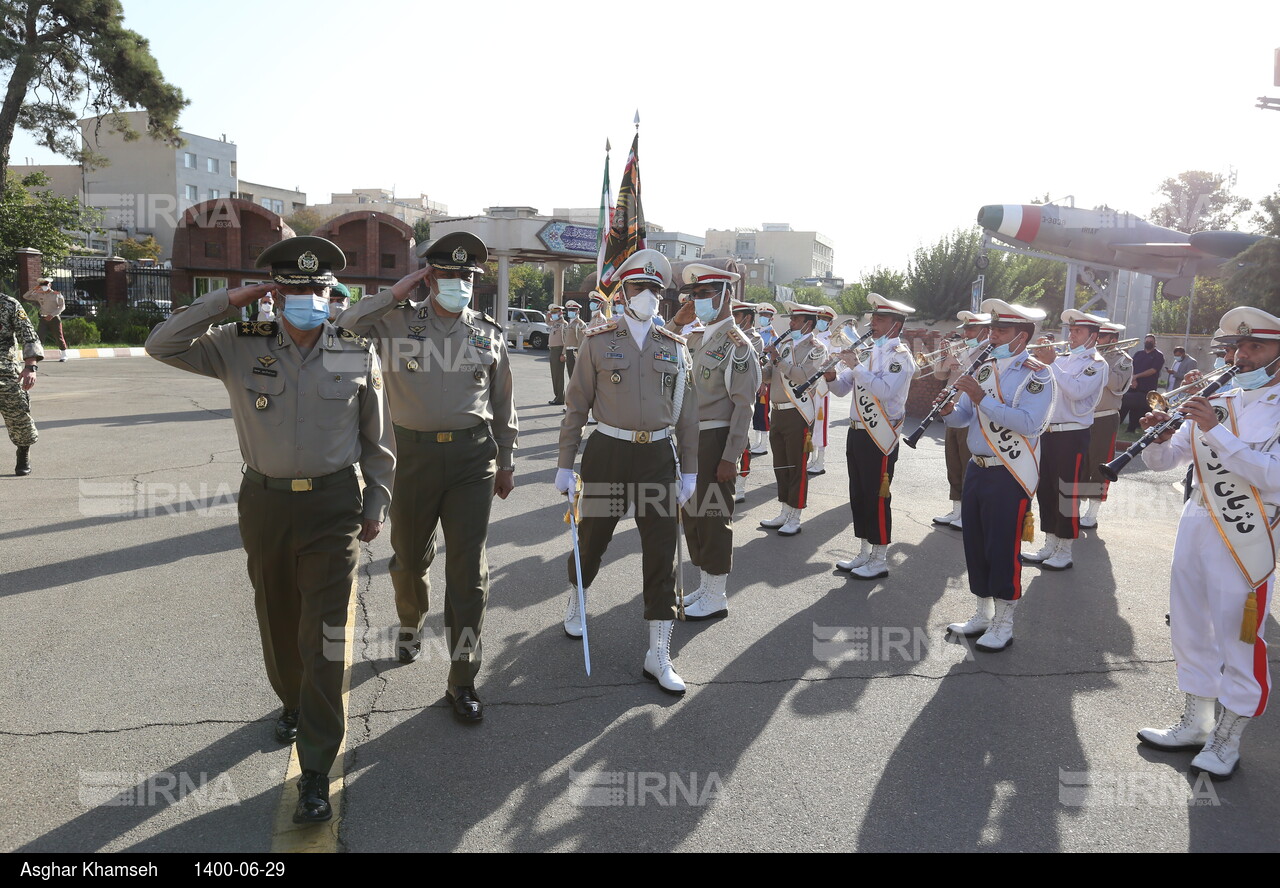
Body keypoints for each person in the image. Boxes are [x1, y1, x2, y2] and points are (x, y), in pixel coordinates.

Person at [145, 235, 395, 824]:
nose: (306, 297)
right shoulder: (236, 344)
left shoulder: (357, 352)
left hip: (334, 505)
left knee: (325, 634)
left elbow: (377, 440)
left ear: (331, 293)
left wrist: (376, 503)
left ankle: (315, 769)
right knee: (277, 617)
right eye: (292, 287)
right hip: (265, 502)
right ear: (274, 293)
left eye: (316, 288)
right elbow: (161, 344)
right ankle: (290, 700)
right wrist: (230, 299)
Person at [336, 231, 516, 723]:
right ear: (430, 277)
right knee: (409, 559)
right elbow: (344, 326)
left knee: (469, 573)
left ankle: (462, 679)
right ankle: (411, 622)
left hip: (471, 461)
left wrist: (507, 459)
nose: (458, 283)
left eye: (466, 276)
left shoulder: (488, 333)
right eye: (448, 274)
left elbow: (502, 402)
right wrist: (395, 293)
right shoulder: (394, 323)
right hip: (408, 458)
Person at [1136, 306, 1280, 779]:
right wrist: (1156, 437)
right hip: (1196, 521)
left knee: (1239, 635)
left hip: (1249, 533)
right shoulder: (1222, 395)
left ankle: (1228, 736)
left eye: (1255, 346)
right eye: (1237, 347)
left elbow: (1274, 477)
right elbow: (1169, 461)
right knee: (1190, 623)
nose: (1242, 356)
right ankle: (1196, 722)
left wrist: (1216, 431)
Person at [555, 248, 698, 694]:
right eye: (641, 288)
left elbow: (688, 415)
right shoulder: (597, 341)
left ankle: (658, 652)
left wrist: (690, 472)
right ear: (623, 291)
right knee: (593, 538)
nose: (650, 296)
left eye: (657, 289)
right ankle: (578, 599)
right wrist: (565, 464)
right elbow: (576, 405)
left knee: (661, 553)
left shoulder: (675, 348)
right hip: (608, 454)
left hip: (657, 459)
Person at [940, 299, 1055, 652]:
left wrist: (980, 399)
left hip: (1010, 471)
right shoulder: (985, 367)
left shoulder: (1037, 373)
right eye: (991, 329)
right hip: (978, 467)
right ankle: (982, 612)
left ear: (1022, 336)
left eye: (1000, 330)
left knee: (1002, 546)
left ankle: (1005, 620)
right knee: (975, 543)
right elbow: (963, 417)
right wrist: (947, 410)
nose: (992, 336)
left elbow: (1028, 424)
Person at [671, 264, 760, 621]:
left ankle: (717, 594)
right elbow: (657, 350)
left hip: (714, 438)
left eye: (704, 295)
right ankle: (706, 584)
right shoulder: (695, 336)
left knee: (713, 515)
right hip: (689, 438)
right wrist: (677, 322)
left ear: (725, 296)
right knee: (692, 515)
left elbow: (744, 405)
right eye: (694, 295)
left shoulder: (738, 345)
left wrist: (730, 455)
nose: (698, 301)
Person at [827, 293, 916, 579]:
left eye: (879, 319)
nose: (872, 323)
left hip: (879, 435)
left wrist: (855, 366)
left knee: (877, 496)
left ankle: (879, 557)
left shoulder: (900, 357)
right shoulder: (866, 352)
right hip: (857, 432)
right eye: (873, 317)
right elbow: (843, 390)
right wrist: (829, 376)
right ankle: (864, 551)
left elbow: (885, 391)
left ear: (896, 325)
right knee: (859, 494)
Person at [1020, 310, 1109, 570]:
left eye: (1078, 331)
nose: (1071, 335)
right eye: (1071, 331)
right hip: (1046, 432)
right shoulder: (1065, 359)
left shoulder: (1097, 363)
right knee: (1046, 490)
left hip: (1072, 434)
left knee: (1067, 492)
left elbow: (1076, 390)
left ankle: (1065, 550)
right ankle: (1049, 543)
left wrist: (1053, 361)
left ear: (1093, 337)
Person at [758, 302, 829, 537]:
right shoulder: (785, 345)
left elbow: (802, 377)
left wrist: (777, 360)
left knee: (796, 465)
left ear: (808, 323)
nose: (790, 324)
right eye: (791, 320)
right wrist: (761, 367)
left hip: (798, 413)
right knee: (781, 463)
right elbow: (770, 376)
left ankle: (796, 515)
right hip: (777, 410)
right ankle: (784, 509)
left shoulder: (816, 348)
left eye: (795, 321)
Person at [932, 311, 991, 530]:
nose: (966, 334)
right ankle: (956, 509)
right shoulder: (963, 350)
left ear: (984, 331)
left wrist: (958, 357)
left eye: (971, 330)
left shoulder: (986, 351)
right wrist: (945, 359)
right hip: (953, 412)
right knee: (953, 464)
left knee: (967, 465)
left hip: (970, 414)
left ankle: (967, 512)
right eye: (964, 330)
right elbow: (939, 376)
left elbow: (979, 378)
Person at [1079, 322, 1133, 528]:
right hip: (1083, 415)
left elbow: (1118, 384)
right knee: (1080, 462)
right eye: (1095, 337)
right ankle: (1073, 508)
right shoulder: (1085, 355)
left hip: (1104, 417)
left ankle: (1092, 514)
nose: (1096, 341)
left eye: (1100, 338)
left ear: (1113, 340)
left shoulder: (1123, 360)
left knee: (1100, 465)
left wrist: (1098, 362)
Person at [1, 293, 42, 475]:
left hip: (6, 372)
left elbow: (28, 334)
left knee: (19, 417)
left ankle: (23, 451)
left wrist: (30, 367)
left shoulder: (9, 304)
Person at [731, 299, 765, 503]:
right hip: (725, 393)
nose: (733, 319)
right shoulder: (728, 333)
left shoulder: (755, 339)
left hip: (743, 393)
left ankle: (741, 484)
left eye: (737, 316)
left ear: (747, 318)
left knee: (742, 439)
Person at [807, 306, 838, 476]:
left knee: (821, 424)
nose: (820, 322)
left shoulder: (833, 340)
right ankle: (812, 458)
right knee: (811, 423)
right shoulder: (815, 338)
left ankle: (821, 460)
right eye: (819, 319)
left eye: (824, 320)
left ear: (830, 322)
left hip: (823, 386)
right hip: (811, 385)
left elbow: (837, 363)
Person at [748, 302, 778, 455]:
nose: (763, 318)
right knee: (756, 412)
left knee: (763, 411)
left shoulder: (774, 337)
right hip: (755, 376)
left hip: (765, 378)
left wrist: (764, 382)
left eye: (766, 316)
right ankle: (757, 441)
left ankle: (764, 444)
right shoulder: (758, 332)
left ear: (772, 318)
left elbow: (772, 360)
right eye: (762, 316)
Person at [1121, 333, 1164, 433]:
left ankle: (1134, 429)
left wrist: (1136, 376)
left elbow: (1153, 370)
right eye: (1147, 341)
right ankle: (1126, 428)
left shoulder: (1158, 355)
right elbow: (1132, 366)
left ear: (1155, 343)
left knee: (1139, 410)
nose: (1148, 343)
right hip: (1134, 386)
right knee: (1127, 406)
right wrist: (1133, 379)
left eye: (1151, 341)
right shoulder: (1138, 354)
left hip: (1147, 388)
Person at [22, 277, 68, 360]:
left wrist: (52, 314)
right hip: (43, 318)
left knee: (58, 337)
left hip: (54, 318)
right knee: (40, 337)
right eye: (42, 285)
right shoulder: (39, 294)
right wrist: (34, 289)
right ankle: (39, 354)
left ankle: (64, 354)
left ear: (50, 285)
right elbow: (25, 296)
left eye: (45, 284)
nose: (44, 286)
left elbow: (62, 306)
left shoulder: (56, 294)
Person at [547, 303, 567, 406]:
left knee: (558, 375)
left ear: (560, 313)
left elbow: (566, 340)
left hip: (558, 350)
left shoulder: (563, 324)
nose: (553, 315)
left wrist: (563, 353)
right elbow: (547, 322)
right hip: (553, 350)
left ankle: (560, 398)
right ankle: (557, 396)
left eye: (555, 313)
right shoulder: (554, 323)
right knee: (554, 375)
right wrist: (548, 315)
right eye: (552, 313)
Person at [563, 300, 586, 380]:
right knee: (571, 375)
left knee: (576, 376)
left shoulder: (580, 324)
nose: (570, 312)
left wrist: (579, 355)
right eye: (569, 310)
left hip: (575, 352)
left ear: (578, 311)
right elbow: (566, 341)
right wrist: (564, 353)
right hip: (569, 352)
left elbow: (581, 341)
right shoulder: (570, 324)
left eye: (573, 310)